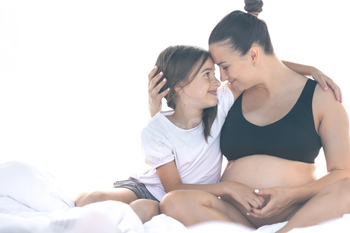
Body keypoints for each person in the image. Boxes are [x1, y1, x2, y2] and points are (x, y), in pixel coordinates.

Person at [74, 44, 336, 224]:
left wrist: (308, 69)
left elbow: (258, 68)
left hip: (177, 198)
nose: (218, 80)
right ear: (179, 85)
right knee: (94, 200)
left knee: (142, 211)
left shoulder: (220, 104)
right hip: (152, 187)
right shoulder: (155, 130)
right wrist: (230, 187)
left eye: (216, 72)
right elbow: (172, 187)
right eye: (207, 74)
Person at [158, 1, 350, 232]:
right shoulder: (228, 96)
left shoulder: (321, 97)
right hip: (236, 218)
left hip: (298, 215)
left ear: (253, 55)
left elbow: (342, 172)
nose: (222, 77)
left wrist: (291, 195)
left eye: (225, 66)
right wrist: (153, 107)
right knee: (173, 201)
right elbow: (175, 127)